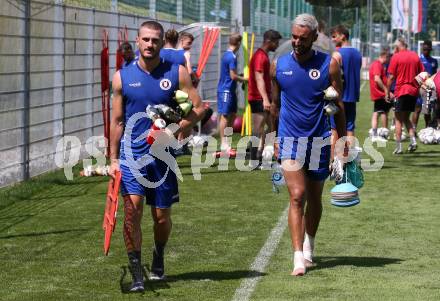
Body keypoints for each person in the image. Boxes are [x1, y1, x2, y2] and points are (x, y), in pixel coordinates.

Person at [109, 21, 204, 292]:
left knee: (161, 217)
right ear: (137, 41)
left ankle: (158, 255)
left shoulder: (177, 73)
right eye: (146, 40)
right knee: (132, 212)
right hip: (132, 156)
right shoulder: (121, 77)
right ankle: (137, 274)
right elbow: (116, 122)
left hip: (163, 157)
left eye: (155, 40)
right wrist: (113, 159)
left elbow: (198, 108)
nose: (150, 44)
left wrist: (174, 129)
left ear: (163, 43)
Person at [270, 14, 346, 276]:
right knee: (297, 195)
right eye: (294, 37)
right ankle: (298, 257)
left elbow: (338, 106)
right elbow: (274, 106)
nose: (297, 42)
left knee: (314, 198)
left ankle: (309, 244)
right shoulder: (278, 66)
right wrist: (273, 138)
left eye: (303, 38)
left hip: (320, 141)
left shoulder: (329, 66)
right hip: (290, 139)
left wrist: (342, 141)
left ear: (315, 37)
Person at [248, 29, 282, 164]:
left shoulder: (263, 56)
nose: (277, 45)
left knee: (275, 125)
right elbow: (259, 78)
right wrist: (266, 99)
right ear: (269, 41)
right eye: (276, 42)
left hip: (263, 98)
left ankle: (265, 153)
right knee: (258, 129)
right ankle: (253, 160)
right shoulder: (260, 56)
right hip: (258, 98)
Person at [386, 37, 424, 154]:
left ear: (397, 46)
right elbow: (422, 74)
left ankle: (399, 147)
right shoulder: (415, 56)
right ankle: (413, 142)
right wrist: (417, 87)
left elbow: (391, 77)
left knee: (398, 119)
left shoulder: (396, 57)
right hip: (413, 92)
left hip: (401, 91)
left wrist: (387, 92)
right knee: (406, 118)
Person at [330, 25, 362, 147]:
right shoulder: (358, 53)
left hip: (338, 97)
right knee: (350, 128)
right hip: (352, 97)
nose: (332, 39)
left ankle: (334, 160)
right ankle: (350, 160)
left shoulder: (337, 54)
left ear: (342, 36)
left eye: (334, 36)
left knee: (334, 129)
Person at [217, 33, 247, 156]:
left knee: (233, 114)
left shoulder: (228, 55)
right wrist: (246, 79)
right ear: (239, 43)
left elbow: (233, 74)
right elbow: (233, 76)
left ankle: (227, 142)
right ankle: (223, 143)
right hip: (226, 90)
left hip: (230, 90)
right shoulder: (231, 57)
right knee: (225, 115)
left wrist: (240, 75)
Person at [412, 40, 438, 129]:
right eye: (424, 49)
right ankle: (413, 129)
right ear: (422, 49)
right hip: (420, 88)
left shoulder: (434, 61)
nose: (426, 51)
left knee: (427, 111)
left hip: (430, 89)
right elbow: (415, 75)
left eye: (428, 49)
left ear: (430, 49)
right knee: (417, 109)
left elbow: (436, 76)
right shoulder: (418, 60)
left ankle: (428, 129)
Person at [369, 49, 392, 142]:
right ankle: (376, 134)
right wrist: (386, 90)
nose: (389, 60)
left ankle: (379, 133)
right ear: (384, 57)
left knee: (381, 112)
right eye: (388, 58)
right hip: (379, 93)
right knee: (379, 112)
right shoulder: (377, 64)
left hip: (380, 93)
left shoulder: (379, 65)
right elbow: (377, 78)